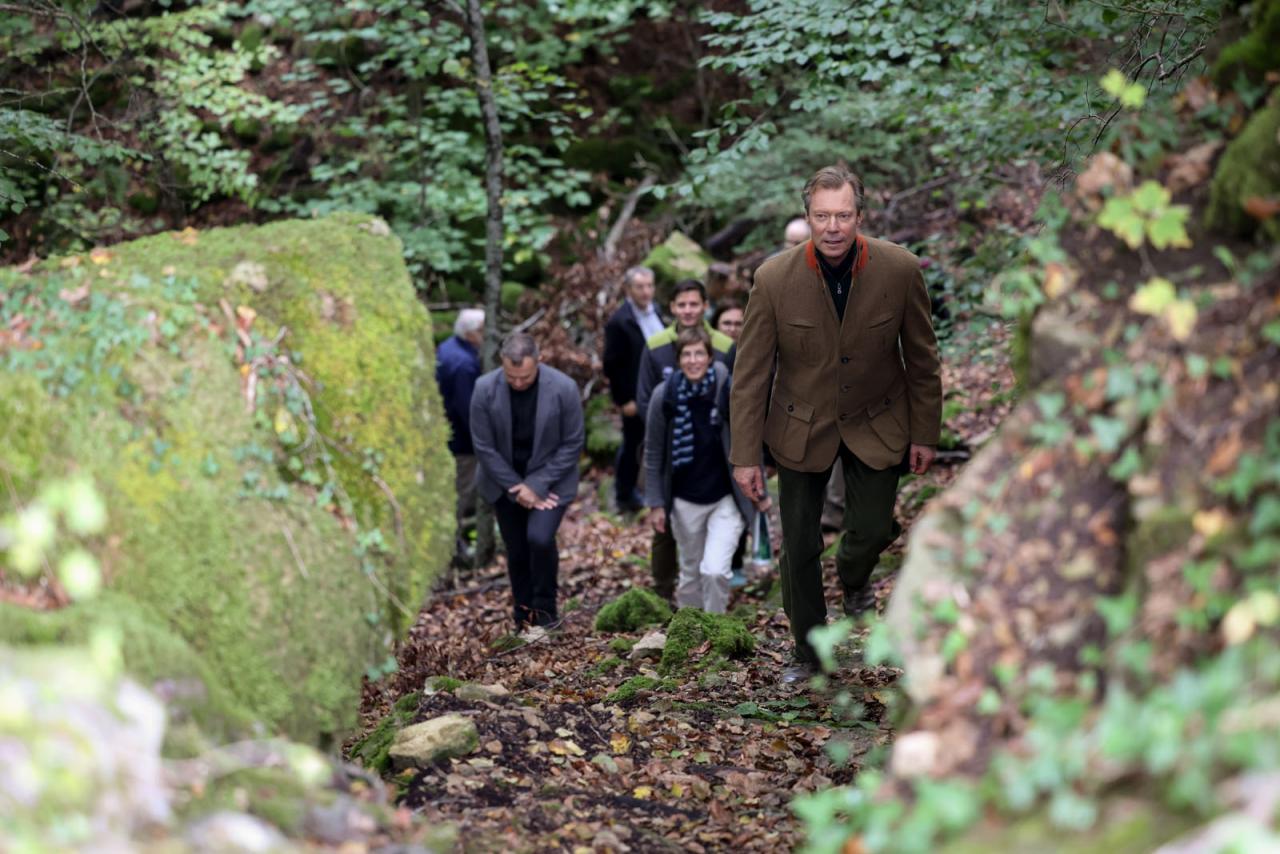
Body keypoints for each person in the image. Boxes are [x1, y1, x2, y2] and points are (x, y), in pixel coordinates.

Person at [729, 165, 942, 682]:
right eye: (822, 216)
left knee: (870, 529)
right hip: (800, 424)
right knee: (799, 543)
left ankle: (853, 574)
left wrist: (925, 433)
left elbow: (923, 358)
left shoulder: (900, 269)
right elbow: (751, 374)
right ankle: (808, 651)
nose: (832, 227)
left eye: (842, 216)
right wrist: (744, 455)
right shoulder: (773, 279)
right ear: (807, 217)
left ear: (859, 217)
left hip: (878, 418)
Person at [644, 328, 766, 614]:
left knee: (714, 570)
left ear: (710, 357)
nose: (693, 360)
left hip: (725, 497)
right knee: (689, 576)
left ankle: (716, 629)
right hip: (684, 500)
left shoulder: (726, 389)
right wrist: (655, 503)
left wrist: (759, 490)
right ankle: (692, 631)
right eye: (686, 354)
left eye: (699, 353)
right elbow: (652, 453)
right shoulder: (665, 396)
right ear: (678, 360)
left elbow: (748, 440)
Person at [470, 332, 585, 634]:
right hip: (502, 481)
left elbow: (573, 443)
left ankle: (546, 610)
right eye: (512, 377)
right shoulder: (484, 389)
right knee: (516, 547)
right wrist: (517, 488)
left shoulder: (563, 388)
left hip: (552, 479)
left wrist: (537, 485)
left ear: (540, 361)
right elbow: (483, 447)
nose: (518, 383)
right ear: (502, 365)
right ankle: (523, 614)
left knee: (539, 538)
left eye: (525, 376)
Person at [635, 279, 736, 602]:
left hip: (716, 453)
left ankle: (720, 581)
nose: (688, 310)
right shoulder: (656, 345)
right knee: (665, 530)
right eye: (682, 305)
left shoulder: (723, 344)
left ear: (705, 306)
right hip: (668, 450)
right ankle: (664, 591)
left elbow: (736, 396)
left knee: (724, 524)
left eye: (694, 304)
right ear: (672, 308)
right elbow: (645, 399)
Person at [602, 266, 664, 514]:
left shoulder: (656, 311)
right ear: (629, 289)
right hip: (635, 394)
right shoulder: (620, 321)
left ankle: (654, 488)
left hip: (659, 386)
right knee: (632, 443)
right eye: (640, 287)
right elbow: (611, 365)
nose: (646, 292)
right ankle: (625, 494)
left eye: (650, 286)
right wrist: (623, 399)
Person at [435, 308, 485, 563]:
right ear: (470, 333)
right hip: (462, 443)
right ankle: (450, 550)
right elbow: (468, 409)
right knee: (460, 493)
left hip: (445, 434)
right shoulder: (465, 365)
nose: (485, 335)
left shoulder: (446, 348)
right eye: (481, 330)